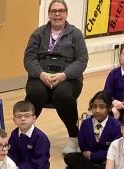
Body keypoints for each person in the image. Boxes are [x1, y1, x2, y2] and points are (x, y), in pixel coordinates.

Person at [23, 0, 88, 154]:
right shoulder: (38, 33)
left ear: (66, 13)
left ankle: (74, 137)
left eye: (61, 11)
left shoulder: (76, 34)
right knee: (35, 93)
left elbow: (82, 60)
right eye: (53, 11)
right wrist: (41, 74)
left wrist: (65, 75)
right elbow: (29, 59)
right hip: (41, 76)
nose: (57, 14)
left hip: (68, 78)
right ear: (49, 14)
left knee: (62, 94)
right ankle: (26, 134)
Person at [64, 91, 121, 169]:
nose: (97, 110)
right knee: (69, 157)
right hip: (89, 159)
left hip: (107, 160)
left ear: (109, 108)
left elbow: (114, 151)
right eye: (94, 107)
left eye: (102, 107)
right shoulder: (85, 123)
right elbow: (83, 145)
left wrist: (93, 156)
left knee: (115, 164)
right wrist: (89, 155)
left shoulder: (116, 126)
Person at [7, 100, 50, 169]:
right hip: (17, 168)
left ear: (34, 119)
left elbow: (38, 163)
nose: (22, 119)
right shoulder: (14, 134)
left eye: (27, 116)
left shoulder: (40, 138)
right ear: (14, 120)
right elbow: (11, 154)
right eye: (18, 116)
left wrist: (18, 168)